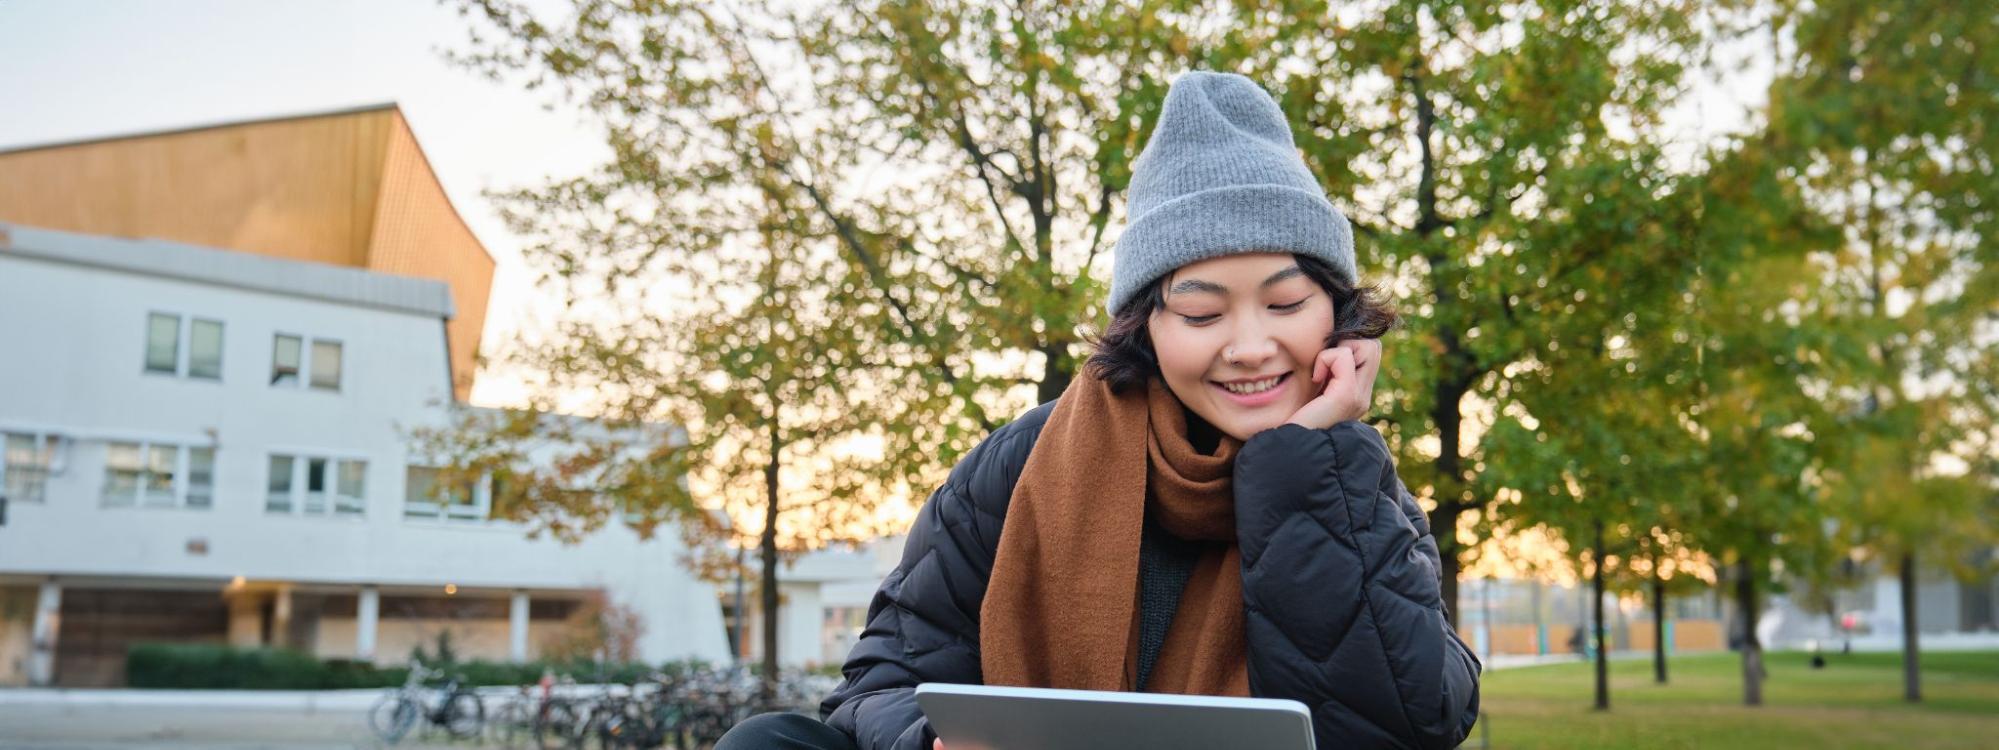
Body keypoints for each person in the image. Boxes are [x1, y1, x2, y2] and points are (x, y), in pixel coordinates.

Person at [717, 70, 1481, 750]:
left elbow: (1401, 727)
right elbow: (878, 684)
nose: (1250, 346)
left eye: (1284, 303)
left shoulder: (1350, 485)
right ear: (1145, 327)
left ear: (1336, 319)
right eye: (1201, 314)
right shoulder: (1021, 462)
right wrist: (932, 740)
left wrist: (1301, 459)